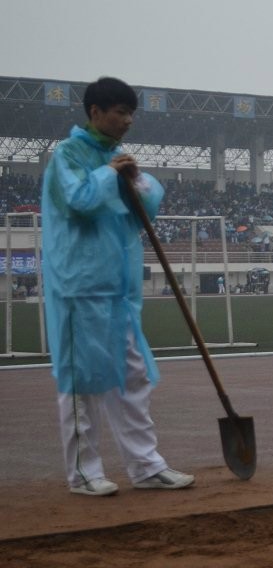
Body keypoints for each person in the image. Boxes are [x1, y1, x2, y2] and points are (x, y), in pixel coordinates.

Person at [41, 77, 195, 496]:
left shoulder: (117, 158)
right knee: (82, 381)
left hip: (117, 289)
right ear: (95, 112)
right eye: (119, 112)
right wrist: (110, 174)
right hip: (79, 285)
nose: (127, 121)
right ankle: (83, 472)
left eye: (131, 114)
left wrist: (136, 179)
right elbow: (80, 201)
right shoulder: (68, 155)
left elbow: (149, 205)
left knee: (132, 375)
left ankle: (146, 465)